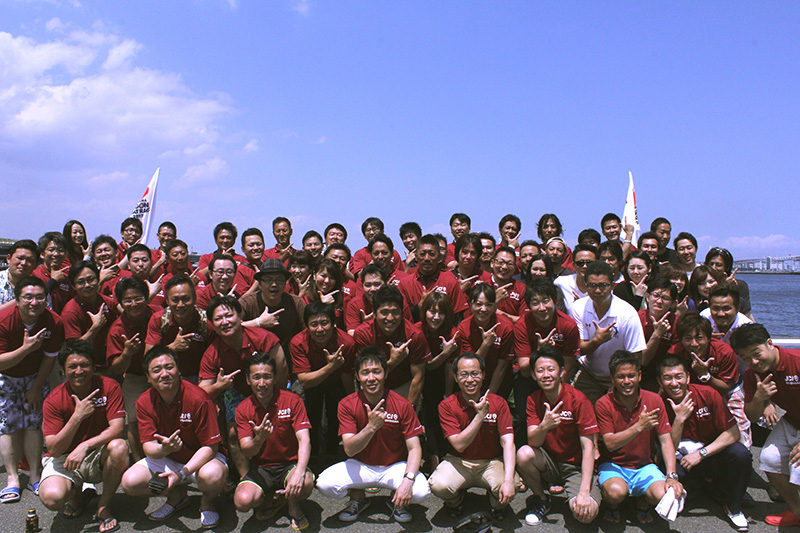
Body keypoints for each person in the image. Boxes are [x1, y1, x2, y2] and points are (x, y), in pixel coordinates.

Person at [316, 347, 430, 523]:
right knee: (324, 484)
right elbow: (349, 450)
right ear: (357, 376)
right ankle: (358, 498)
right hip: (360, 466)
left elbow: (414, 448)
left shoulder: (402, 404)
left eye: (376, 372)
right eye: (365, 373)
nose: (371, 378)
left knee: (421, 492)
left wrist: (408, 481)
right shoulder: (347, 404)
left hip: (394, 466)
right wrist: (371, 427)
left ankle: (396, 500)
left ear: (385, 374)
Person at [121, 346, 227, 527]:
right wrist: (164, 449)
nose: (164, 374)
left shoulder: (199, 398)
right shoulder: (144, 401)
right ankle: (176, 497)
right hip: (168, 458)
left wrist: (181, 474)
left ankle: (207, 503)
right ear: (148, 377)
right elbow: (148, 447)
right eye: (156, 370)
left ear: (179, 371)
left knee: (213, 475)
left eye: (169, 367)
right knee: (130, 482)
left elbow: (210, 447)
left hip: (201, 459)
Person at [39, 339, 129, 533]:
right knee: (52, 498)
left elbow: (117, 429)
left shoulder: (109, 386)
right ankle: (77, 496)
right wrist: (77, 417)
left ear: (94, 366)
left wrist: (85, 445)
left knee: (120, 447)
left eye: (84, 365)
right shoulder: (54, 399)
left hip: (97, 451)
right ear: (62, 371)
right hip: (65, 456)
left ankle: (103, 506)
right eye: (72, 366)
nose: (79, 371)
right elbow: (54, 449)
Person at [657, 355, 751, 531]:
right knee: (664, 479)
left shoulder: (708, 394)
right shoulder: (658, 404)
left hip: (708, 455)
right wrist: (679, 419)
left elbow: (733, 432)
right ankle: (701, 488)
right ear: (660, 382)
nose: (674, 383)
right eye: (667, 378)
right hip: (678, 460)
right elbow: (667, 448)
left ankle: (734, 507)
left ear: (688, 377)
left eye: (679, 376)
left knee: (740, 454)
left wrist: (702, 454)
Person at [198, 295, 286, 480]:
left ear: (240, 316)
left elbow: (281, 372)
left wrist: (270, 400)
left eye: (229, 316)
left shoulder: (264, 339)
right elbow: (201, 392)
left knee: (279, 424)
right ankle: (245, 477)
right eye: (218, 318)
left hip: (270, 387)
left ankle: (281, 469)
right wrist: (219, 386)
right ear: (212, 324)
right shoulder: (211, 353)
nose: (225, 322)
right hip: (237, 391)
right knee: (233, 432)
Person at [595, 350, 684, 524]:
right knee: (615, 493)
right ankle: (612, 506)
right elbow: (610, 443)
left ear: (640, 376)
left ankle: (642, 502)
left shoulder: (654, 400)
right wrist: (638, 427)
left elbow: (666, 441)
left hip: (644, 465)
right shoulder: (603, 403)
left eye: (631, 376)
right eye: (621, 377)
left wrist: (672, 476)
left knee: (664, 494)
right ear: (612, 379)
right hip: (613, 464)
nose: (627, 381)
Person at [516, 346, 601, 525]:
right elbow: (533, 441)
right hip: (551, 462)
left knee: (585, 515)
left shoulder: (578, 400)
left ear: (561, 372)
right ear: (533, 375)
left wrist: (584, 492)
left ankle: (585, 491)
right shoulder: (533, 399)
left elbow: (588, 448)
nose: (546, 375)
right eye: (540, 371)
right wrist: (544, 426)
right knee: (523, 454)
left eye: (551, 369)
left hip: (576, 467)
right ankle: (541, 499)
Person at [429, 352, 517, 519]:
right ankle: (456, 501)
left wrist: (508, 481)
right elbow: (459, 445)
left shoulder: (499, 402)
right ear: (455, 377)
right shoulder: (447, 405)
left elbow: (508, 443)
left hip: (492, 461)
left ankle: (495, 503)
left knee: (511, 484)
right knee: (438, 485)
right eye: (463, 374)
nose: (470, 380)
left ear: (483, 375)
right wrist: (480, 416)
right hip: (459, 460)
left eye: (475, 374)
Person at [0, 277, 65, 503]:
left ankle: (35, 475)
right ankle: (12, 478)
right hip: (6, 376)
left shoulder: (53, 321)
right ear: (17, 300)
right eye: (28, 297)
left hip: (35, 375)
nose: (34, 302)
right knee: (7, 426)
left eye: (39, 297)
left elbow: (49, 357)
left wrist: (36, 387)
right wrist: (25, 349)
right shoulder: (4, 320)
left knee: (33, 424)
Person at [234, 352, 314, 529]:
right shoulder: (243, 408)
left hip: (289, 465)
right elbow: (247, 450)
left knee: (306, 482)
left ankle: (293, 503)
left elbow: (304, 440)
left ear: (275, 378)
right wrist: (259, 439)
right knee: (242, 501)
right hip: (262, 468)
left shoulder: (292, 400)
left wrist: (300, 471)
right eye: (256, 377)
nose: (262, 383)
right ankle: (269, 497)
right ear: (248, 380)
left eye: (267, 377)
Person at [733, 323, 800, 527]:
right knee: (770, 458)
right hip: (792, 419)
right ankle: (797, 510)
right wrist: (759, 398)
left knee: (798, 465)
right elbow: (752, 416)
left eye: (756, 353)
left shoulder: (796, 362)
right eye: (746, 358)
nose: (753, 362)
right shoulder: (751, 375)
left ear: (770, 343)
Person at [668, 312, 751, 448]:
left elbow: (726, 387)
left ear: (709, 338)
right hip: (691, 393)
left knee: (740, 441)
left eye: (699, 338)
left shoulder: (724, 352)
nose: (694, 344)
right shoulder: (674, 353)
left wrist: (705, 375)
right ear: (681, 340)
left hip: (725, 392)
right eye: (688, 338)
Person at [570, 261, 646, 403]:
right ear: (586, 286)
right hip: (589, 374)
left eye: (603, 285)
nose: (598, 291)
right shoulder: (578, 307)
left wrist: (621, 380)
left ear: (612, 285)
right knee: (577, 407)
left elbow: (635, 356)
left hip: (619, 377)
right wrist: (597, 341)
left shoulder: (628, 313)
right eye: (593, 286)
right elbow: (580, 348)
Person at [289, 301, 357, 458]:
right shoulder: (298, 342)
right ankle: (311, 456)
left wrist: (351, 403)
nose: (319, 329)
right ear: (307, 326)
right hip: (311, 381)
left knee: (337, 415)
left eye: (324, 323)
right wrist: (331, 367)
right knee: (310, 416)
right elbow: (304, 381)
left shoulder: (346, 343)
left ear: (333, 324)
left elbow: (347, 376)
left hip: (337, 380)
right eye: (314, 324)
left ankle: (333, 453)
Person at [514, 278, 581, 434]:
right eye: (535, 303)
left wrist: (557, 394)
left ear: (555, 301)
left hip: (558, 378)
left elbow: (568, 366)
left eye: (546, 301)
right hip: (529, 379)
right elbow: (525, 370)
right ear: (528, 306)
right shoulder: (522, 325)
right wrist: (539, 351)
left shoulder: (568, 325)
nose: (542, 308)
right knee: (524, 419)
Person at [106, 276, 159, 460]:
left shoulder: (159, 315)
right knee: (135, 421)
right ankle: (138, 461)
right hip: (136, 376)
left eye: (138, 298)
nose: (134, 304)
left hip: (163, 373)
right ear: (121, 303)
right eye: (128, 300)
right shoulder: (117, 329)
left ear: (147, 297)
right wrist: (127, 353)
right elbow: (116, 369)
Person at [352, 285, 430, 406]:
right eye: (384, 312)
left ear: (402, 312)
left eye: (395, 312)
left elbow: (418, 377)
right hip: (371, 384)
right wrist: (393, 362)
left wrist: (410, 409)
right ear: (374, 313)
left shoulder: (414, 335)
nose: (390, 318)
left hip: (402, 385)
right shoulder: (363, 334)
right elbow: (367, 374)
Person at [145, 274, 213, 381]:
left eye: (185, 299)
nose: (180, 305)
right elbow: (148, 358)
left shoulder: (207, 322)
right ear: (167, 301)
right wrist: (172, 348)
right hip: (167, 376)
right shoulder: (159, 320)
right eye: (175, 300)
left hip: (200, 376)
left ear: (194, 298)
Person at [418, 292, 458, 464]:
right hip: (420, 374)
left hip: (444, 377)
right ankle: (433, 459)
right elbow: (426, 366)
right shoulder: (417, 330)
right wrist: (444, 353)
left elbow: (450, 367)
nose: (436, 317)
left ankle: (444, 456)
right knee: (429, 416)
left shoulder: (452, 333)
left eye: (441, 313)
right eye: (432, 311)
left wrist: (447, 395)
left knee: (441, 413)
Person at [455, 284, 514, 396]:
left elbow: (502, 366)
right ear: (470, 304)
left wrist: (489, 396)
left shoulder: (505, 327)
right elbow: (469, 365)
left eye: (489, 305)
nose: (483, 309)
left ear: (495, 305)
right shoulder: (463, 328)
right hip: (471, 382)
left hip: (499, 383)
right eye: (478, 304)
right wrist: (485, 345)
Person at [239, 259, 306, 355]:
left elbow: (307, 333)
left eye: (279, 280)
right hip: (254, 355)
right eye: (268, 280)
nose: (274, 284)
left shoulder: (296, 303)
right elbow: (232, 329)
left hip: (287, 354)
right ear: (260, 284)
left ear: (285, 283)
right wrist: (258, 322)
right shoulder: (247, 303)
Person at [61, 261, 119, 372]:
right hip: (86, 369)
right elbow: (73, 348)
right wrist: (95, 328)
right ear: (73, 286)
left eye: (91, 279)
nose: (87, 285)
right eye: (81, 282)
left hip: (110, 364)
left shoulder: (107, 302)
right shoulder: (70, 311)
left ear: (98, 279)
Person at [398, 234, 468, 323]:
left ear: (439, 257)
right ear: (416, 256)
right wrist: (419, 307)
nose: (427, 258)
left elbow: (458, 318)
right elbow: (401, 318)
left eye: (432, 254)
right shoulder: (404, 284)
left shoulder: (450, 281)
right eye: (422, 254)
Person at [638, 278, 678, 390]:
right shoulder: (636, 319)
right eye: (656, 296)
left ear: (673, 303)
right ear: (647, 297)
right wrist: (657, 334)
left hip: (666, 374)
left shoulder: (677, 324)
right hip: (638, 372)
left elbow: (673, 361)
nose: (659, 301)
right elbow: (643, 361)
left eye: (665, 298)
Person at [478, 246, 528, 323]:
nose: (505, 267)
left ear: (515, 267)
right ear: (492, 263)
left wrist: (497, 312)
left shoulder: (522, 289)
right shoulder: (480, 287)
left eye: (510, 264)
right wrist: (495, 302)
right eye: (501, 262)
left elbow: (524, 321)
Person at [705, 247, 753, 319]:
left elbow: (745, 312)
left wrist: (730, 289)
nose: (713, 268)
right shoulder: (702, 284)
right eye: (711, 264)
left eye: (718, 265)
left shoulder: (739, 285)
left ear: (727, 267)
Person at [33, 232, 72, 314]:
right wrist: (53, 281)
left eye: (60, 250)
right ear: (42, 254)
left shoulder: (66, 278)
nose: (56, 254)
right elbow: (34, 301)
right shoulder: (34, 275)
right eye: (51, 250)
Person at [553, 244, 597, 316]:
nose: (585, 266)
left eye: (589, 263)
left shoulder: (604, 286)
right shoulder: (561, 282)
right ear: (573, 265)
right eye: (580, 263)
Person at [0, 240, 39, 310]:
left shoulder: (39, 287)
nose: (23, 263)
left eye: (29, 260)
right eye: (20, 258)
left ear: (36, 265)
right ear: (8, 259)